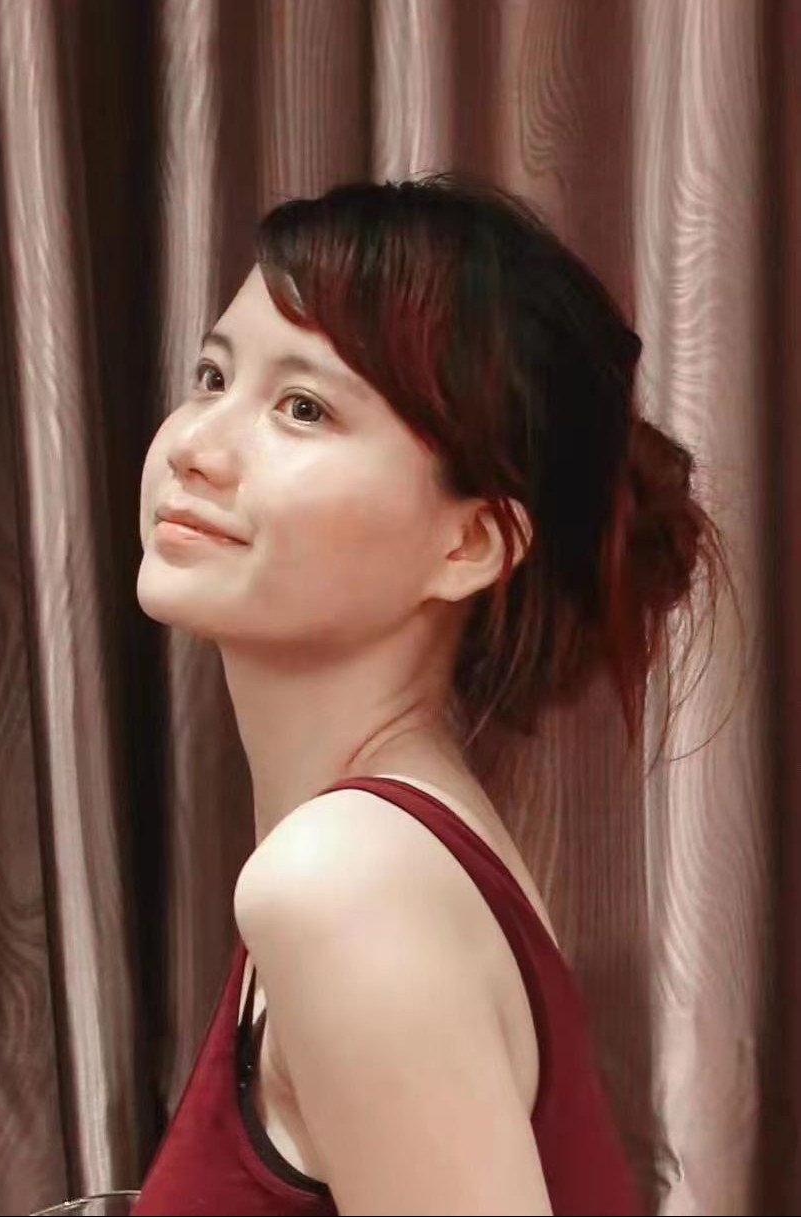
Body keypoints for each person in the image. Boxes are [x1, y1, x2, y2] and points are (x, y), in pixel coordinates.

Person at [131, 172, 730, 1216]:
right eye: (212, 377)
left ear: (470, 544)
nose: (194, 445)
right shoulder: (394, 838)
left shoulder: (344, 881)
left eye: (303, 407)